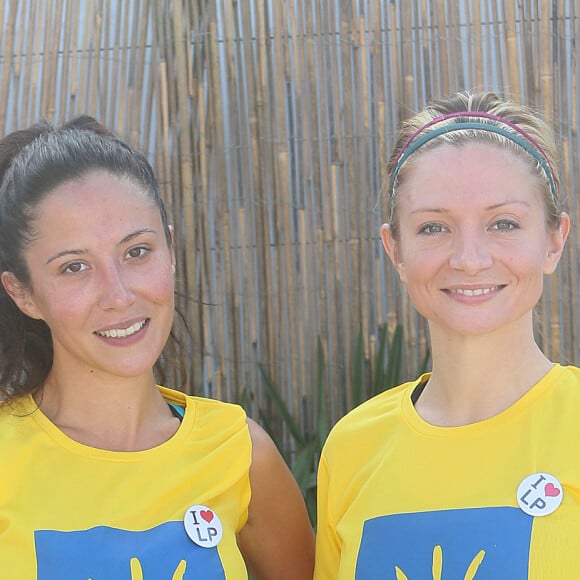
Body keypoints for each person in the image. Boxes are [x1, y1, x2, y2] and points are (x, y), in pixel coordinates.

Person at [0, 117, 315, 579]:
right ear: (22, 293)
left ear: (170, 249)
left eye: (136, 252)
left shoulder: (241, 453)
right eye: (74, 267)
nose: (119, 295)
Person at [314, 90, 578, 578]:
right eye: (434, 228)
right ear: (395, 249)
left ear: (554, 240)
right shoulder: (352, 448)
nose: (470, 259)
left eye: (504, 223)